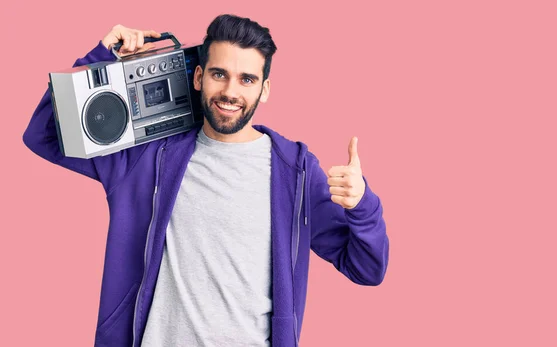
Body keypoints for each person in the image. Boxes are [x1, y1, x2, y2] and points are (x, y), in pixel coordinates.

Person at [23, 14, 389, 347]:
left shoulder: (296, 172)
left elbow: (367, 268)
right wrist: (99, 61)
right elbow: (43, 135)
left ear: (264, 89)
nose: (231, 92)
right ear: (198, 77)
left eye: (247, 79)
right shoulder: (147, 156)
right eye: (219, 74)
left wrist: (362, 207)